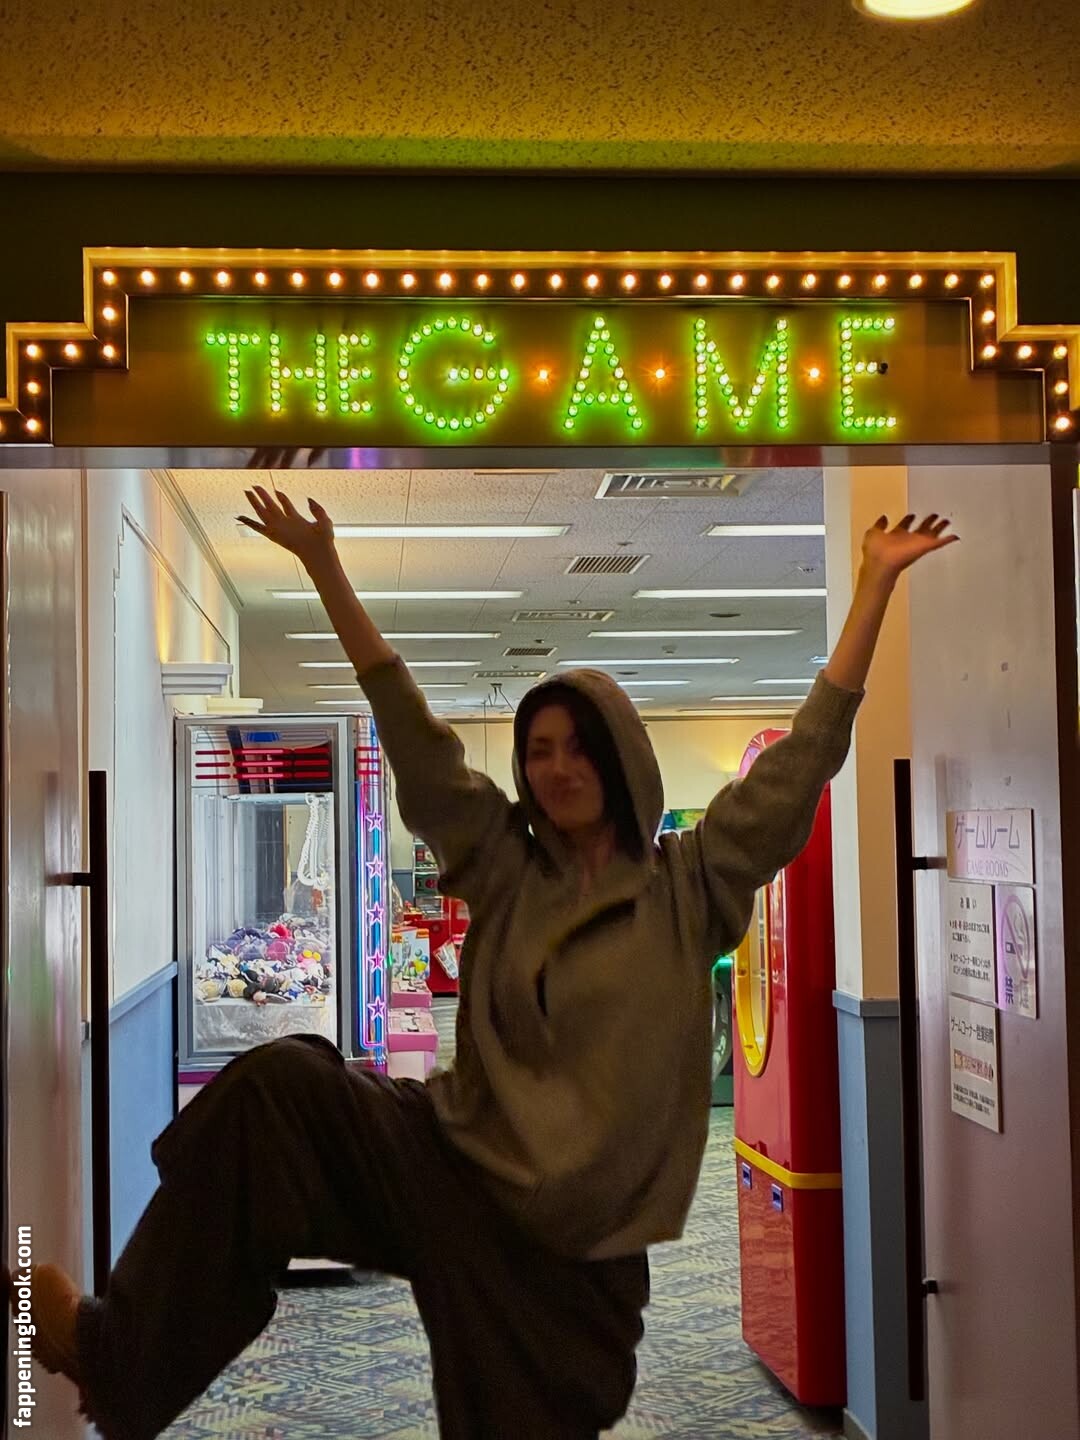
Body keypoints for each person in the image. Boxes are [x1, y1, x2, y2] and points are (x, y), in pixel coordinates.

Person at [17, 488, 956, 1439]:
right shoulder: (506, 864)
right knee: (281, 1091)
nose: (559, 766)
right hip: (450, 1165)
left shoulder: (692, 883)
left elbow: (805, 758)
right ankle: (118, 1357)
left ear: (623, 758)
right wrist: (325, 568)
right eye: (539, 750)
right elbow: (414, 737)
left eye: (580, 747)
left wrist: (873, 586)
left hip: (574, 1247)